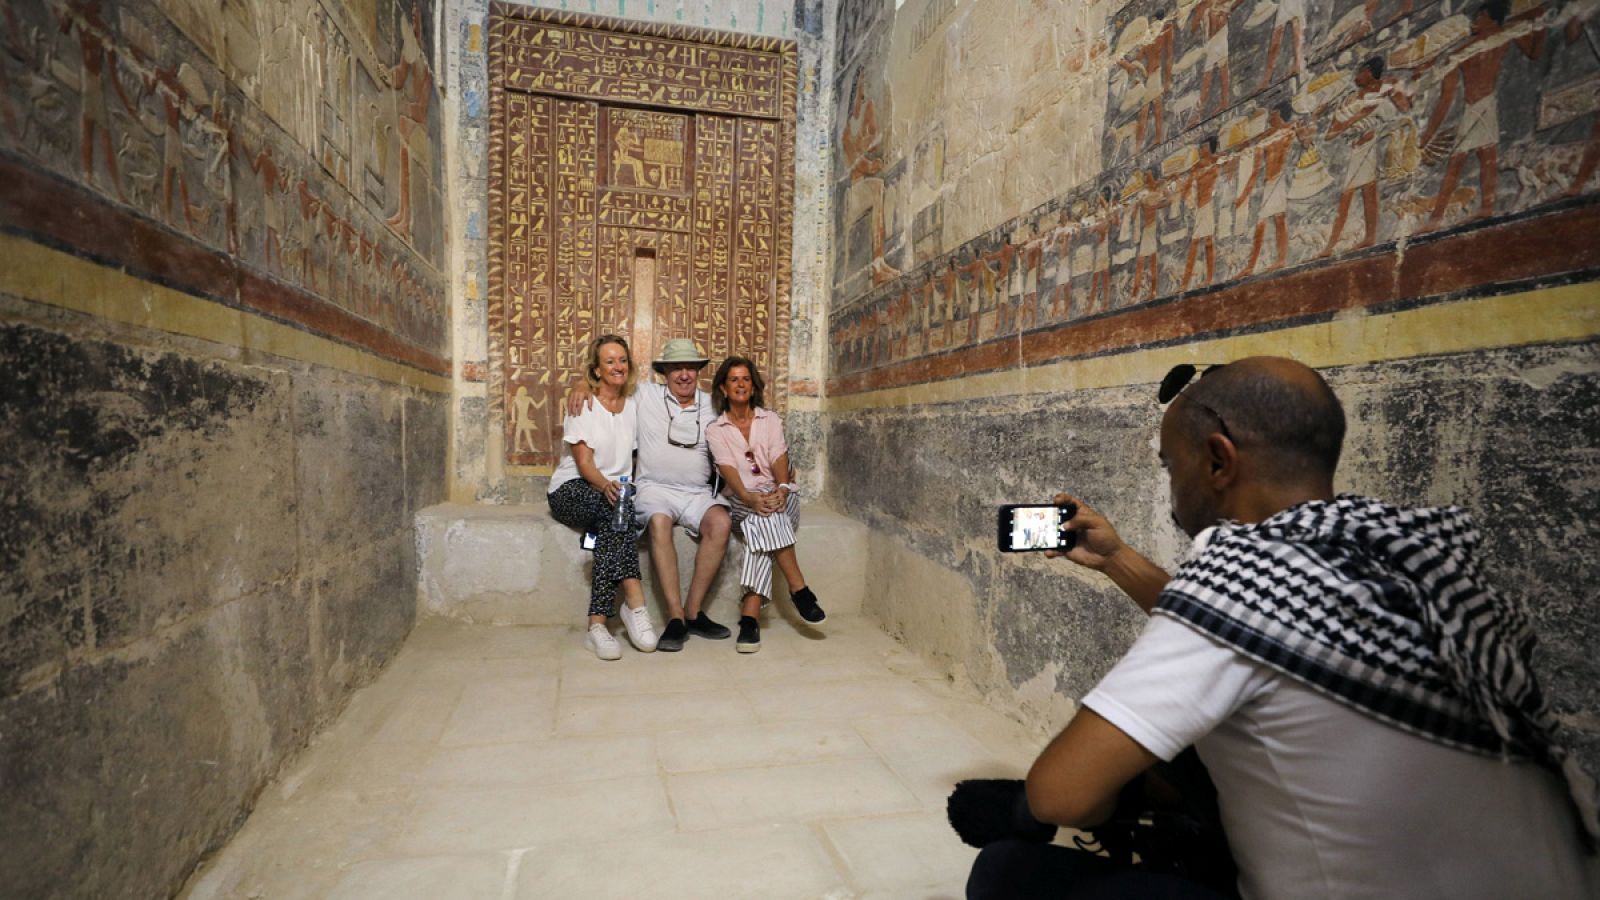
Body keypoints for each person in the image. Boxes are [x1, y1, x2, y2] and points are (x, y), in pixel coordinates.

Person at [962, 357, 1599, 899]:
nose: (1171, 484)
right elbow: (1255, 628)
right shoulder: (1389, 550)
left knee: (1010, 872)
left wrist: (1057, 805)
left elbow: (1059, 796)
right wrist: (1114, 557)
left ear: (1217, 460)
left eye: (1168, 465)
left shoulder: (1239, 576)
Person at [567, 338, 734, 651]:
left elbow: (744, 414)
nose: (684, 374)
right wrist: (580, 384)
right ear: (664, 373)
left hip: (697, 492)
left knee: (721, 523)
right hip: (654, 489)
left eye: (691, 368)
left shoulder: (713, 404)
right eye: (676, 368)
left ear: (699, 372)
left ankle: (693, 613)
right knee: (659, 521)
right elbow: (608, 384)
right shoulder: (645, 395)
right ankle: (674, 618)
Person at [546, 335, 657, 660]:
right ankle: (635, 603)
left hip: (613, 495)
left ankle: (597, 626)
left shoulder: (634, 406)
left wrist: (618, 488)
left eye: (622, 360)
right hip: (572, 489)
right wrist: (607, 486)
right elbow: (584, 464)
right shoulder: (585, 405)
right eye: (610, 361)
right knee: (615, 511)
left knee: (612, 522)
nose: (618, 366)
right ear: (597, 369)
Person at [707, 357, 825, 654]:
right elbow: (728, 469)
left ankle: (750, 619)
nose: (741, 384)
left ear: (753, 385)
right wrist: (749, 497)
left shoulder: (769, 419)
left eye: (746, 378)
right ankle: (799, 589)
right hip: (740, 500)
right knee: (763, 517)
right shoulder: (716, 429)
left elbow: (778, 457)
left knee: (764, 522)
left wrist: (782, 488)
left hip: (781, 495)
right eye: (734, 379)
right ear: (723, 387)